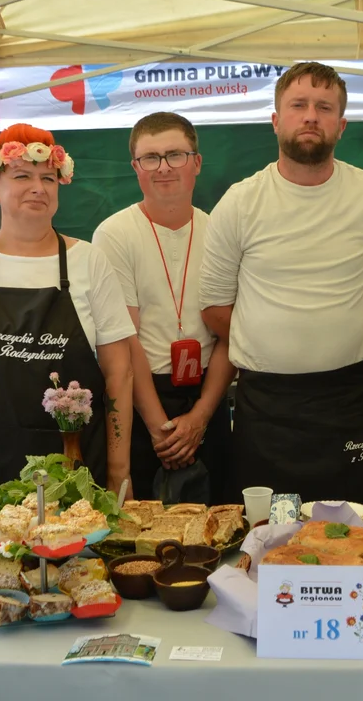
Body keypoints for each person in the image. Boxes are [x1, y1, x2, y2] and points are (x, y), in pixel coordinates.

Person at [0, 124, 136, 610]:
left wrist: (119, 469)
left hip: (71, 479)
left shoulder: (90, 263)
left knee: (74, 601)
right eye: (21, 175)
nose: (38, 187)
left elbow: (120, 372)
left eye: (48, 177)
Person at [199, 61, 363, 504]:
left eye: (324, 107)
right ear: (275, 121)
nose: (311, 115)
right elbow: (214, 307)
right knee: (263, 546)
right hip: (266, 409)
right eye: (298, 105)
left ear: (341, 125)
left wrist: (337, 342)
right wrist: (270, 342)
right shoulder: (239, 202)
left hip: (351, 402)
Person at [93, 112, 235, 503]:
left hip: (209, 393)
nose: (164, 168)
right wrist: (159, 428)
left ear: (197, 163)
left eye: (175, 155)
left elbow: (231, 331)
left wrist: (201, 417)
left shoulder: (220, 231)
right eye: (150, 158)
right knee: (146, 535)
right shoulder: (114, 234)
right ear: (135, 168)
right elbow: (124, 339)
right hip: (141, 400)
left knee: (218, 520)